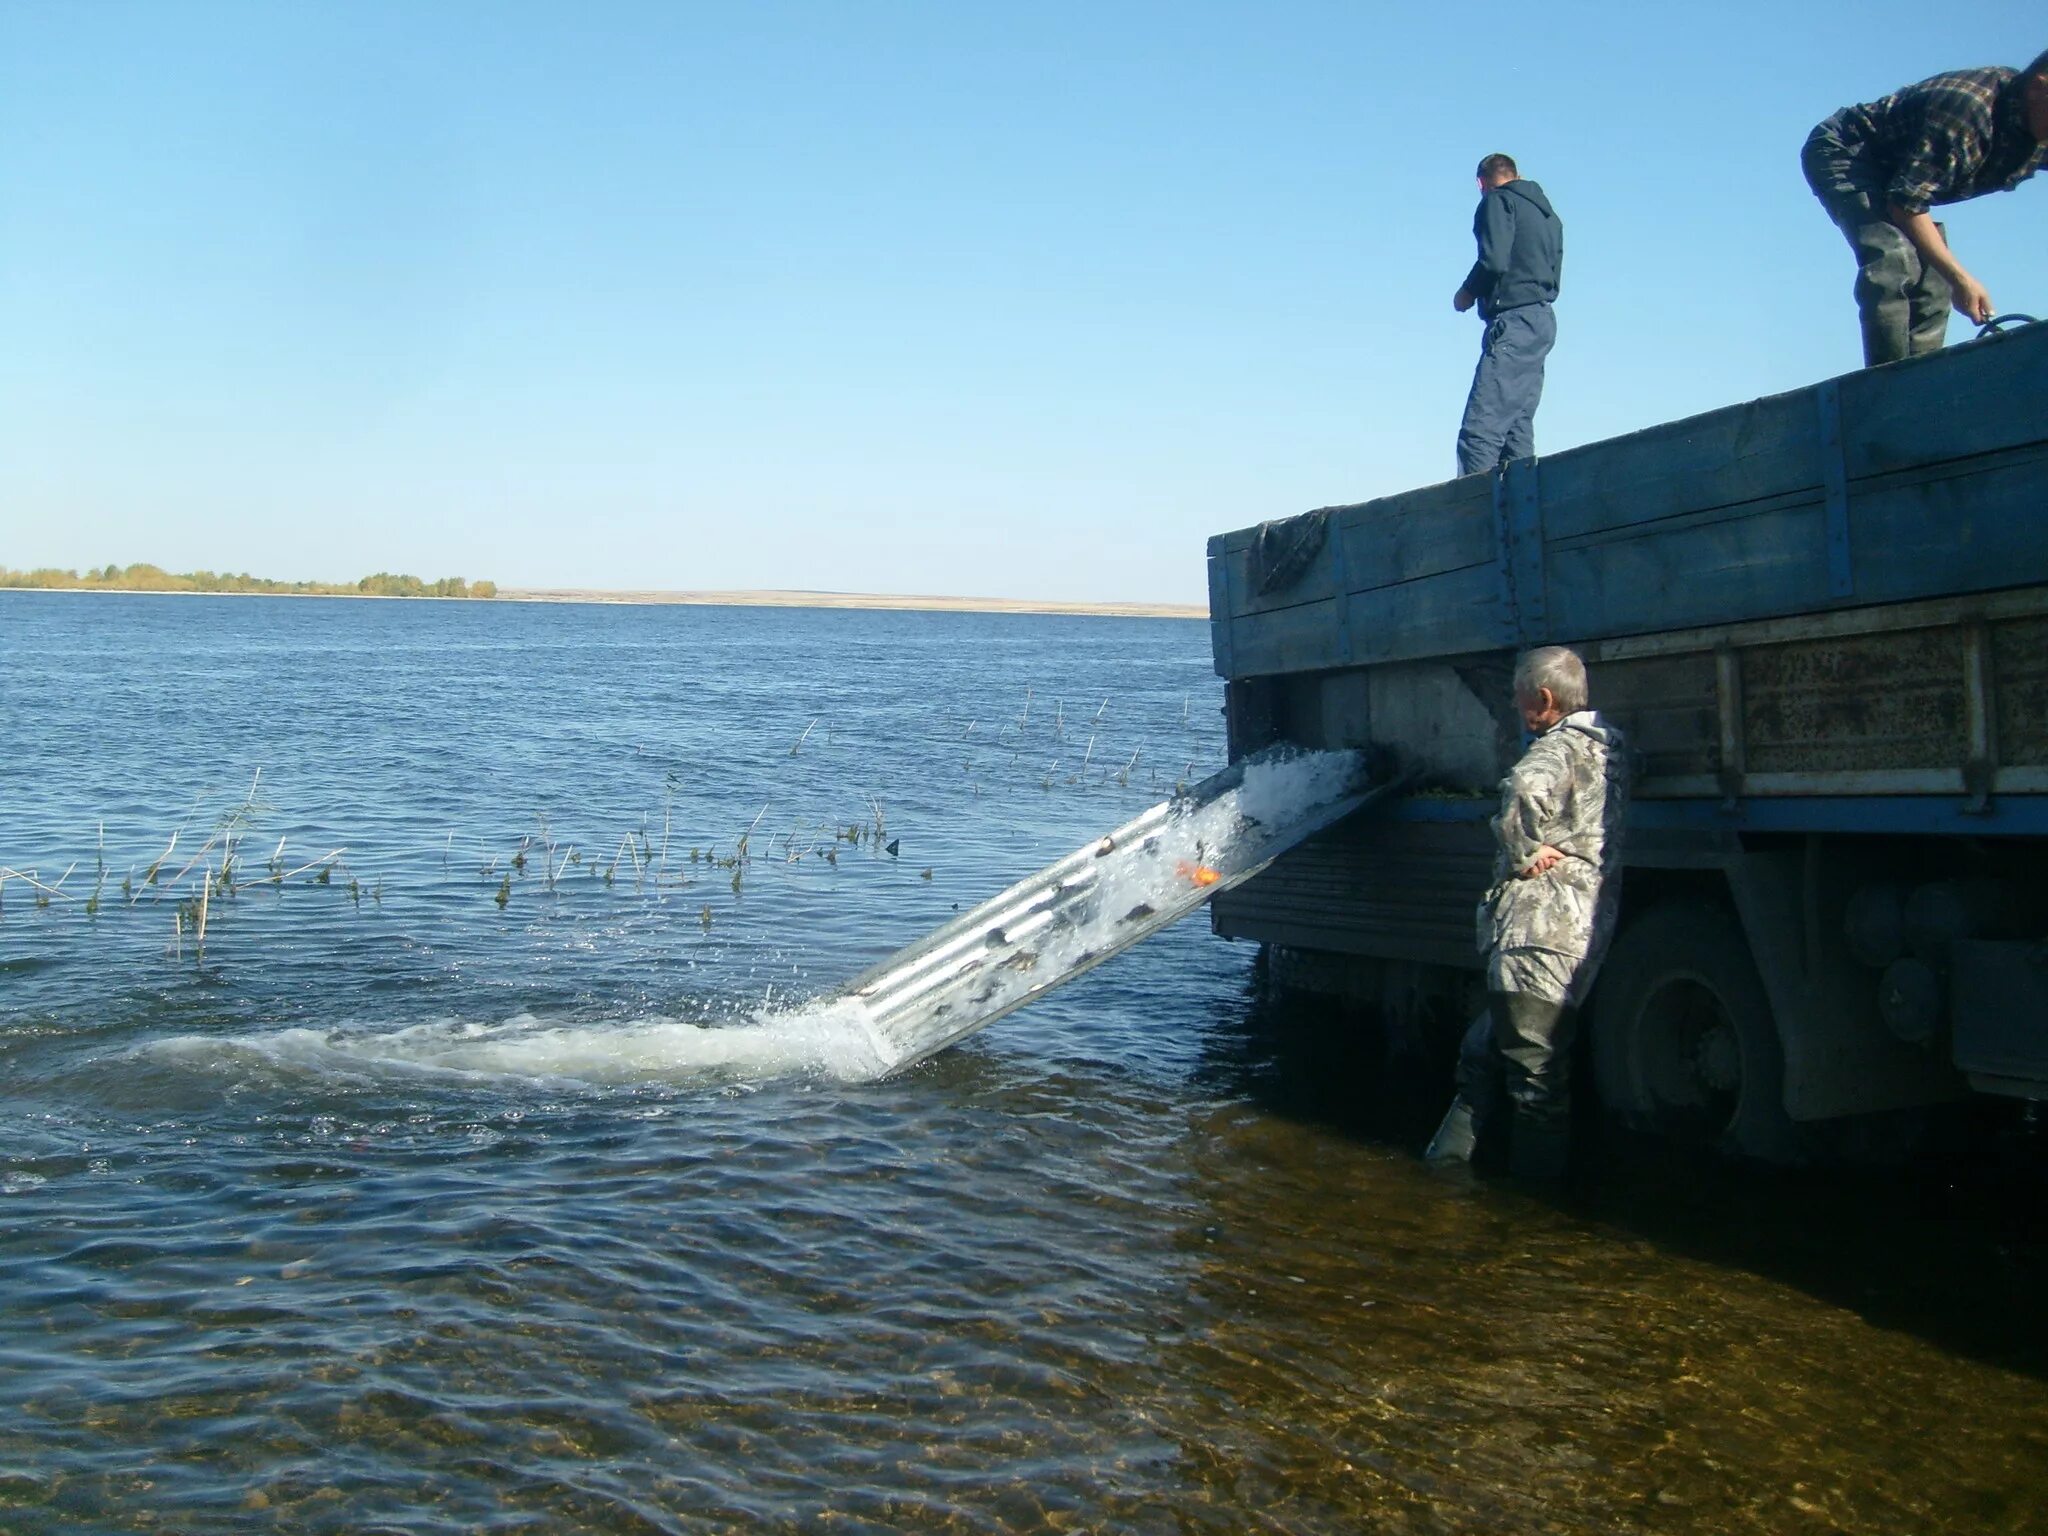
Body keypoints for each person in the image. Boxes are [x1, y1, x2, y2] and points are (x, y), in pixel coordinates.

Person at [1426, 646, 1629, 1180]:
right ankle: (1445, 1174)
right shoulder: (1614, 748)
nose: (1517, 711)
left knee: (1535, 1080)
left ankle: (1533, 1215)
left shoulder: (1555, 751)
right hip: (1585, 929)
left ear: (1543, 699)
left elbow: (1519, 786)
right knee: (1484, 1053)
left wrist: (1522, 850)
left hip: (1539, 935)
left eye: (1520, 701)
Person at [1801, 50, 2048, 367]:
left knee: (1933, 282)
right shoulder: (1967, 115)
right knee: (1893, 256)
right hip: (1848, 152)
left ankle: (1921, 382)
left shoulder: (2036, 121)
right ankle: (1885, 386)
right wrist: (1961, 278)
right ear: (2039, 88)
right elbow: (1905, 204)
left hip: (1903, 177)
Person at [1453, 153, 1563, 478]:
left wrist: (1468, 292)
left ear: (1480, 183)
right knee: (1516, 432)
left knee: (1480, 431)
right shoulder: (1548, 215)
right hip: (1541, 320)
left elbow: (1495, 261)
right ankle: (1519, 520)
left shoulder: (1497, 202)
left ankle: (1471, 519)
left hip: (1513, 322)